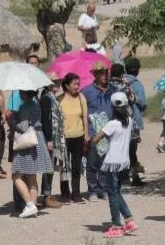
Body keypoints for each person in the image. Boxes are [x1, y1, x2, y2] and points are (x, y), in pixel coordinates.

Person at [92, 92, 138, 239]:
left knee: (112, 193)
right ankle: (129, 219)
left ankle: (116, 225)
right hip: (123, 162)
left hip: (112, 162)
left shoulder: (112, 124)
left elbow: (96, 139)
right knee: (117, 192)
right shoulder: (129, 121)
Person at [8, 90, 54, 218]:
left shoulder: (25, 106)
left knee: (16, 176)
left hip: (27, 143)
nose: (20, 94)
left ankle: (29, 204)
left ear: (25, 94)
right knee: (31, 177)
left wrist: (13, 121)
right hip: (37, 140)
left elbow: (23, 127)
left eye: (22, 92)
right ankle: (33, 207)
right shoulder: (36, 105)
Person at [82, 62, 115, 201]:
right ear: (94, 75)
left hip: (109, 133)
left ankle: (103, 188)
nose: (104, 75)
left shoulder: (112, 90)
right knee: (92, 163)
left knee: (105, 163)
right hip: (93, 132)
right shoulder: (86, 91)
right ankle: (92, 190)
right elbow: (82, 112)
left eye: (105, 72)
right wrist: (86, 133)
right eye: (100, 73)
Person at [58, 73, 89, 204]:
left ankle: (76, 193)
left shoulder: (81, 97)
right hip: (64, 138)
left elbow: (85, 118)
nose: (77, 86)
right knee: (64, 166)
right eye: (74, 84)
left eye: (78, 84)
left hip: (78, 136)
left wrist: (86, 135)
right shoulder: (59, 99)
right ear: (66, 85)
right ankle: (65, 193)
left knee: (76, 166)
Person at [39, 73, 67, 209]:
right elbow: (46, 120)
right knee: (48, 167)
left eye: (59, 81)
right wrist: (49, 139)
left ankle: (47, 194)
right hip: (49, 138)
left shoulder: (51, 98)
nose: (58, 84)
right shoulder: (46, 99)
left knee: (51, 166)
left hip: (54, 137)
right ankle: (46, 196)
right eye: (54, 81)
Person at [124, 57, 147, 186]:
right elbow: (143, 103)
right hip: (134, 122)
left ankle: (124, 175)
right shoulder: (137, 84)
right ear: (137, 71)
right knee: (132, 149)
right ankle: (134, 175)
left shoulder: (120, 81)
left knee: (123, 148)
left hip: (121, 120)